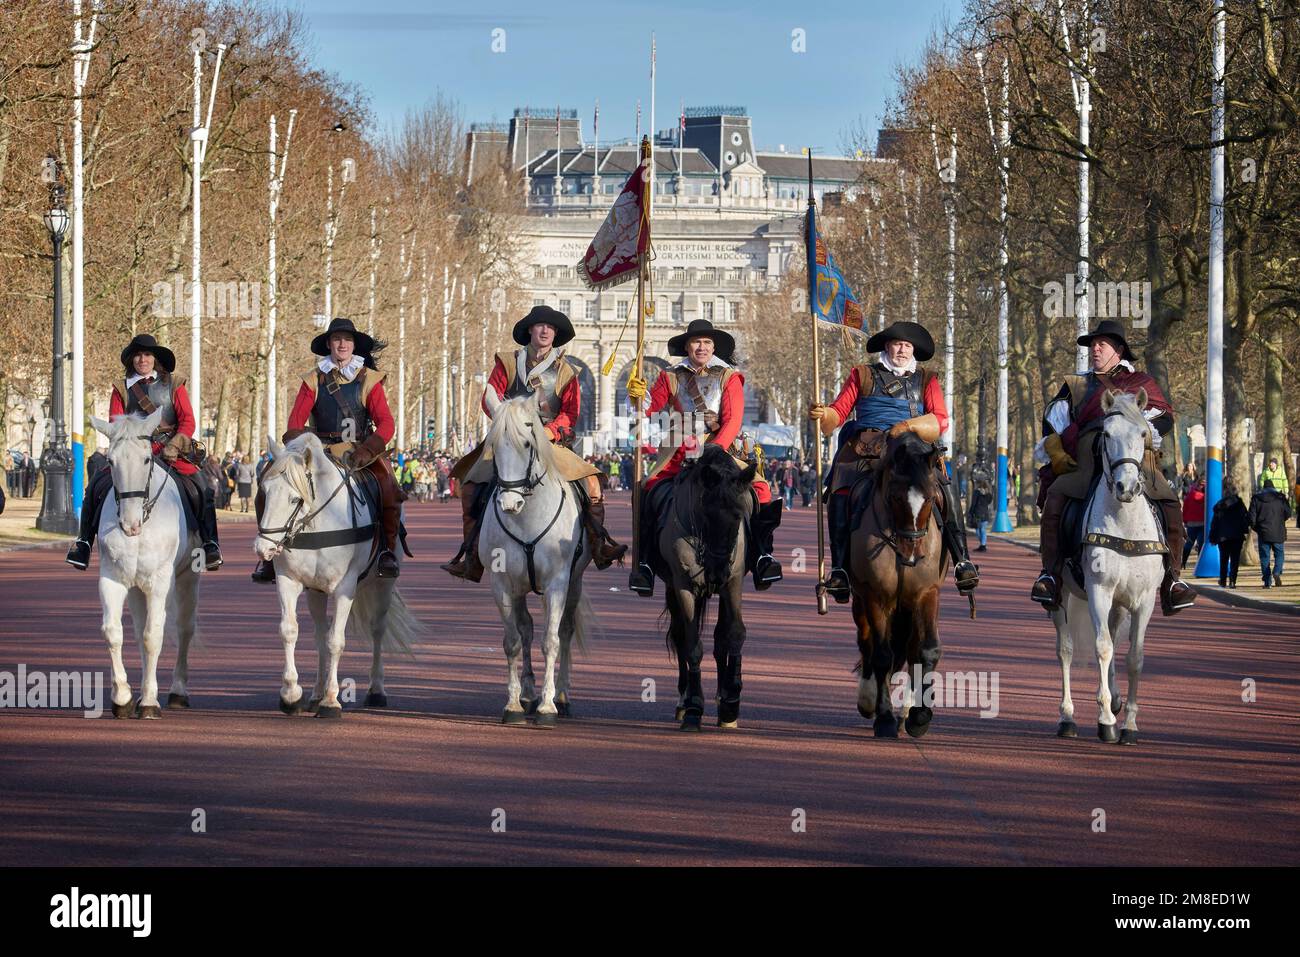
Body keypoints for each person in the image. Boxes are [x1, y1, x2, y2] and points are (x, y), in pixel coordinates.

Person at [442, 305, 627, 581]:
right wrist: (509, 422)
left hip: (549, 442)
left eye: (550, 328)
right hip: (509, 439)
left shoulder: (567, 371)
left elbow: (570, 414)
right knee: (471, 485)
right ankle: (471, 554)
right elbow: (489, 398)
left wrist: (549, 432)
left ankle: (598, 543)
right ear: (530, 329)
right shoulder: (507, 362)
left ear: (555, 334)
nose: (544, 331)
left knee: (592, 484)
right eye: (540, 325)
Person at [1030, 320, 1195, 615]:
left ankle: (1172, 580)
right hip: (1085, 459)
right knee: (1056, 496)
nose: (1094, 349)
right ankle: (1051, 575)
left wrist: (1138, 431)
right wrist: (1056, 449)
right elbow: (1052, 422)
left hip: (1134, 459)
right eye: (1092, 345)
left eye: (1101, 344)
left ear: (1118, 351)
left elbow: (1164, 417)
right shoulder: (1076, 385)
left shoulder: (1141, 383)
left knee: (1169, 501)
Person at [808, 320, 978, 603]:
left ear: (914, 351)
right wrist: (822, 414)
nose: (902, 350)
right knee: (840, 491)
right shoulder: (861, 374)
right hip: (866, 448)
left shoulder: (927, 378)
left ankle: (963, 559)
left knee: (945, 488)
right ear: (887, 346)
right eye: (897, 344)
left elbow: (940, 418)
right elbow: (839, 411)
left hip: (912, 448)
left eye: (907, 346)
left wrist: (907, 426)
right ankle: (839, 569)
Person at [626, 318, 783, 594]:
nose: (702, 347)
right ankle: (646, 562)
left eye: (707, 342)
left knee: (760, 489)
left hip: (719, 447)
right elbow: (648, 409)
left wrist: (716, 447)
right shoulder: (670, 376)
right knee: (647, 490)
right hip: (679, 450)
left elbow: (732, 419)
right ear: (687, 346)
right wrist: (638, 397)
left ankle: (762, 555)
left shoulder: (729, 376)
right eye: (697, 342)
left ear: (714, 348)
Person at [251, 317, 404, 582]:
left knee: (386, 483)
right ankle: (269, 554)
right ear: (329, 345)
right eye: (336, 339)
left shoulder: (370, 380)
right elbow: (295, 422)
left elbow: (386, 423)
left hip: (360, 451)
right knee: (269, 478)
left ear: (354, 346)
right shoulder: (312, 380)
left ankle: (386, 551)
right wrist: (300, 448)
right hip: (317, 451)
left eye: (347, 339)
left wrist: (368, 450)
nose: (342, 344)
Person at [66, 334, 223, 571]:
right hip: (132, 454)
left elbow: (188, 421)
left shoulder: (175, 384)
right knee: (96, 486)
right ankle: (84, 542)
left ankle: (210, 544)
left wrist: (174, 444)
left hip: (171, 452)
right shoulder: (121, 388)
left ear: (155, 358)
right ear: (132, 360)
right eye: (138, 355)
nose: (142, 359)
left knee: (202, 487)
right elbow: (115, 423)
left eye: (147, 354)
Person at [1248, 480, 1291, 588]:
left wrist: (1257, 528)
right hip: (1278, 530)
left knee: (1264, 556)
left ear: (1263, 488)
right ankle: (1276, 572)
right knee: (1279, 554)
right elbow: (1288, 513)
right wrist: (1280, 521)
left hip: (1263, 532)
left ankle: (1267, 582)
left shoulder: (1256, 498)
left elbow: (1251, 518)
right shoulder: (1280, 497)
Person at [1208, 480, 1249, 588]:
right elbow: (1245, 519)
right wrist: (1245, 530)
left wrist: (1212, 537)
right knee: (1235, 560)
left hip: (1223, 537)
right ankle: (1232, 581)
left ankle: (1222, 581)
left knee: (1224, 559)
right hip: (1237, 536)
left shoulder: (1220, 506)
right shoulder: (1240, 505)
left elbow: (1214, 523)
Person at [1181, 476, 1207, 567]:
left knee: (1189, 543)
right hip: (1203, 524)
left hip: (1191, 523)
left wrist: (1185, 521)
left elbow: (1185, 508)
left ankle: (1183, 562)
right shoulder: (1207, 498)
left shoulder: (1190, 495)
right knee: (1201, 545)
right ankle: (1200, 565)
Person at [967, 467, 994, 552]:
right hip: (985, 513)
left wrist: (970, 512)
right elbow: (989, 501)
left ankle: (983, 545)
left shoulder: (976, 492)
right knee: (982, 529)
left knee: (979, 530)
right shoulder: (988, 493)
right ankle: (983, 544)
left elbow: (973, 503)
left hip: (978, 513)